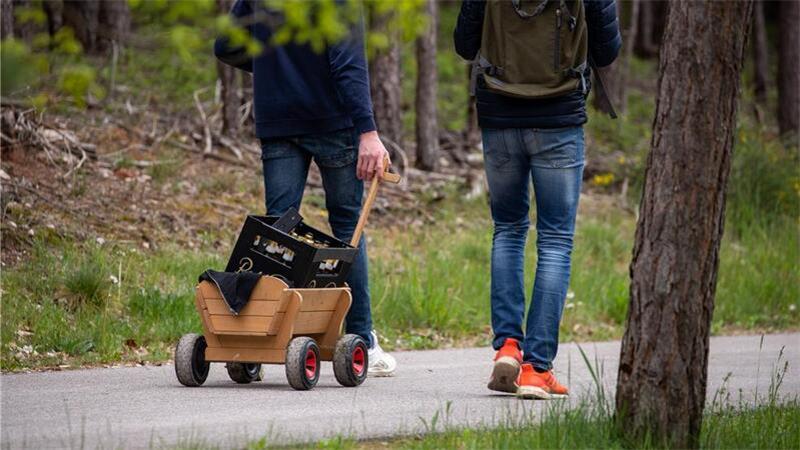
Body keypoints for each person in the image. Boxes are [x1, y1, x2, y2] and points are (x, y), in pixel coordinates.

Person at [214, 0, 396, 376]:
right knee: (347, 228)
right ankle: (362, 338)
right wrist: (368, 131)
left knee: (277, 232)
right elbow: (347, 63)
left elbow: (226, 45)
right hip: (332, 121)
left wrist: (272, 69)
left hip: (278, 119)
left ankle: (257, 339)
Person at [454, 0, 621, 398]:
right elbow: (607, 50)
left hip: (500, 116)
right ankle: (536, 368)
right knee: (555, 241)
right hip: (559, 118)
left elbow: (464, 44)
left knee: (508, 230)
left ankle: (508, 346)